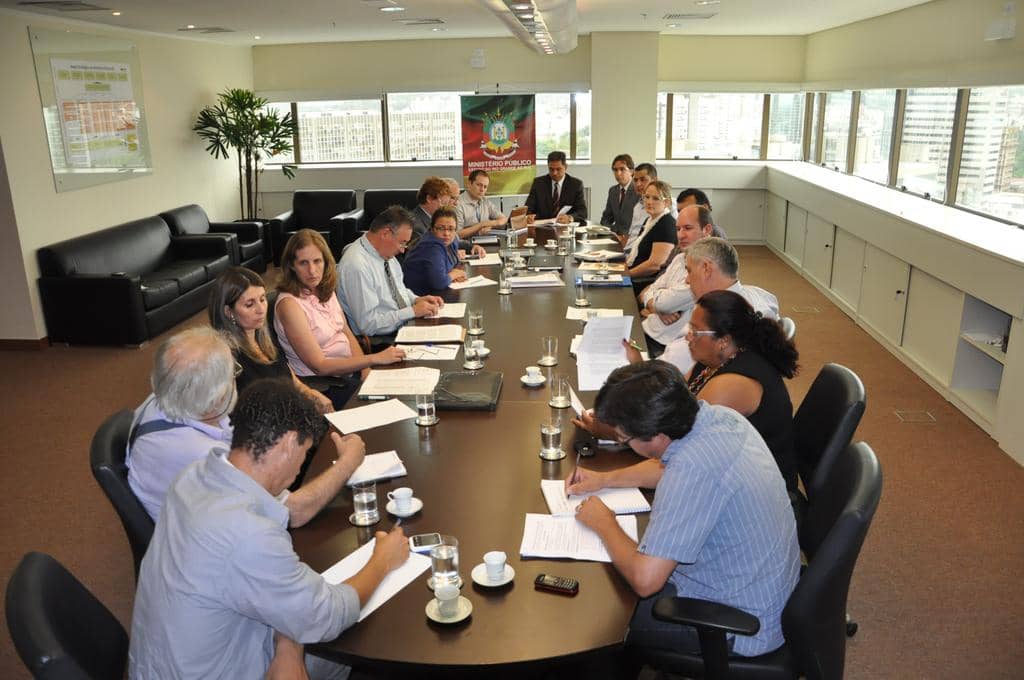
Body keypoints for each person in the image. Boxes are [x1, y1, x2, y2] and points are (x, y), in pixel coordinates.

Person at [129, 379, 410, 679]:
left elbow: (256, 583)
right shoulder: (249, 534)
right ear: (289, 443)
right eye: (305, 453)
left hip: (172, 661)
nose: (300, 466)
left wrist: (289, 644)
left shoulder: (194, 477)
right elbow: (327, 615)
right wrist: (383, 559)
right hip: (218, 669)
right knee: (365, 637)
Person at [566, 361, 799, 658]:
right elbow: (667, 467)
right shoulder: (719, 418)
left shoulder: (692, 471)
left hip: (737, 626)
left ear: (655, 436)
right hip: (765, 590)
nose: (623, 442)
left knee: (600, 615)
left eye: (624, 439)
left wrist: (604, 523)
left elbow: (646, 581)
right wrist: (605, 480)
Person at [126, 327, 367, 526]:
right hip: (216, 547)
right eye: (233, 374)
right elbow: (295, 513)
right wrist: (349, 462)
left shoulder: (171, 395)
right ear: (217, 396)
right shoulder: (202, 457)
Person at [680, 289, 800, 492]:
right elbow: (678, 395)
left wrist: (611, 477)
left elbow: (683, 446)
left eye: (696, 331)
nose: (688, 337)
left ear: (723, 341)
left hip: (763, 499)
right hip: (736, 475)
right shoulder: (714, 358)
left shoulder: (732, 384)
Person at [275, 229, 404, 409]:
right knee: (390, 406)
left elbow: (347, 334)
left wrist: (365, 370)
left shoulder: (324, 289)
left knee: (402, 391)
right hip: (324, 384)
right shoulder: (290, 305)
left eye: (317, 261)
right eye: (303, 263)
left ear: (326, 262)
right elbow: (320, 366)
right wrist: (373, 359)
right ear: (291, 266)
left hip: (349, 371)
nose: (312, 270)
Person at [208, 266, 332, 412]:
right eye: (250, 304)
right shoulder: (227, 358)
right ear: (229, 312)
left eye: (262, 299)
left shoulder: (264, 338)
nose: (261, 309)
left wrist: (310, 393)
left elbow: (291, 380)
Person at [658, 237, 779, 376]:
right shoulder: (761, 294)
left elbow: (665, 371)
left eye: (689, 271)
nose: (687, 279)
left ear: (706, 268)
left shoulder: (716, 319)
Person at [336, 206, 445, 344]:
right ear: (386, 233)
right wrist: (413, 311)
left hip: (401, 326)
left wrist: (416, 299)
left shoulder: (385, 254)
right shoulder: (357, 266)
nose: (402, 250)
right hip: (380, 341)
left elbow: (398, 290)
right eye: (402, 242)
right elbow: (368, 325)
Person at [637, 205, 716, 355]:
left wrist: (657, 302)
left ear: (706, 230)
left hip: (667, 346)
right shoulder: (680, 258)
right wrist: (656, 308)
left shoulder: (707, 268)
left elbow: (664, 302)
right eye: (678, 229)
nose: (681, 235)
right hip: (648, 329)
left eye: (687, 228)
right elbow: (651, 290)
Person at [402, 206, 485, 294]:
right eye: (441, 228)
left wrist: (473, 247)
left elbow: (460, 244)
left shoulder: (450, 239)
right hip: (420, 296)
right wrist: (454, 274)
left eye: (451, 229)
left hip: (438, 292)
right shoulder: (431, 247)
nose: (446, 233)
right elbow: (439, 282)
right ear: (432, 228)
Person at [625, 179, 677, 282]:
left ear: (666, 202)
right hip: (634, 274)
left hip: (645, 281)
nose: (649, 202)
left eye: (655, 198)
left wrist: (626, 275)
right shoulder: (649, 220)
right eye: (647, 197)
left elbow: (655, 265)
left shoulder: (666, 224)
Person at [619, 163, 677, 249]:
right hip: (629, 251)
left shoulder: (668, 204)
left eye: (643, 180)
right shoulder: (638, 206)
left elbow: (673, 235)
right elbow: (631, 235)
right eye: (635, 180)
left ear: (655, 180)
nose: (638, 184)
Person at [525, 150, 587, 224]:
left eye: (558, 169)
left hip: (566, 229)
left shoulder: (576, 185)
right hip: (542, 227)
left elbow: (582, 212)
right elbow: (528, 208)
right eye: (551, 169)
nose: (554, 173)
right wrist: (528, 217)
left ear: (565, 167)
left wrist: (570, 218)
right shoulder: (538, 183)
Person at [456, 169, 507, 238]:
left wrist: (489, 225)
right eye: (479, 185)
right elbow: (457, 234)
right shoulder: (457, 203)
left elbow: (503, 219)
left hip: (485, 240)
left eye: (485, 187)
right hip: (467, 244)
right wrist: (481, 225)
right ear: (469, 184)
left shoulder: (485, 201)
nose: (482, 189)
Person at [600, 154, 639, 234]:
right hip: (615, 236)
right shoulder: (613, 191)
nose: (618, 173)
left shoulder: (638, 190)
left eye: (622, 169)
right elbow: (606, 218)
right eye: (615, 170)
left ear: (631, 171)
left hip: (632, 238)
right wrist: (610, 231)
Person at [409, 176, 454, 245]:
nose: (445, 208)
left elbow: (454, 239)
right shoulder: (415, 225)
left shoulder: (435, 218)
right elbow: (428, 248)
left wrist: (473, 245)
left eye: (446, 204)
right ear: (429, 198)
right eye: (443, 203)